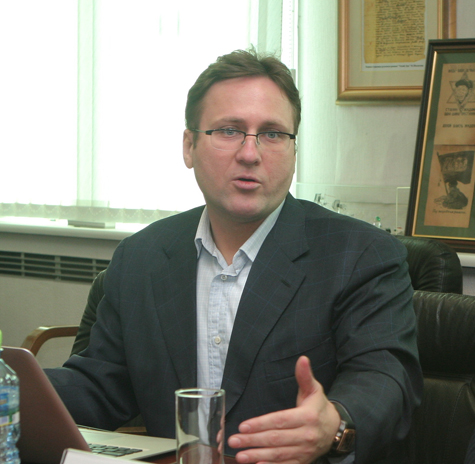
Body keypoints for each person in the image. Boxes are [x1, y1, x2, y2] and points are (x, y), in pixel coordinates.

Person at [45, 49, 423, 464]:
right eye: (229, 130)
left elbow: (386, 378)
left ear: (294, 151)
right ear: (189, 146)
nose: (250, 153)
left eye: (273, 134)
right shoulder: (141, 257)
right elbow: (102, 384)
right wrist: (13, 385)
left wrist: (335, 423)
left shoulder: (360, 254)